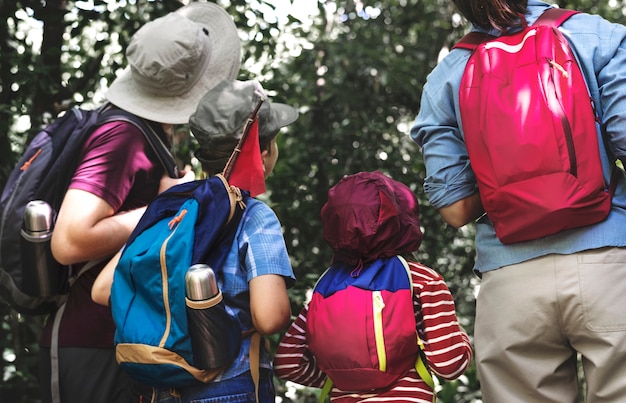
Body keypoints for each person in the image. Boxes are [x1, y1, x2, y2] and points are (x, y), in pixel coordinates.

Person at [411, 1, 626, 401]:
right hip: (609, 266)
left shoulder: (447, 76)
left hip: (511, 285)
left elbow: (455, 209)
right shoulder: (596, 37)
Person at [39, 3, 242, 403]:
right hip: (90, 340)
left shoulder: (144, 134)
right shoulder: (122, 137)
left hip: (124, 339)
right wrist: (168, 203)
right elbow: (69, 240)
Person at [92, 78, 299, 403]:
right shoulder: (255, 216)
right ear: (264, 151)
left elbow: (103, 290)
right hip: (229, 385)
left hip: (157, 389)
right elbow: (270, 316)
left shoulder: (172, 206)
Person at [273, 171, 473, 402]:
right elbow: (449, 364)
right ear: (406, 222)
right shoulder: (422, 281)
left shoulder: (327, 287)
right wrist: (463, 338)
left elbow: (288, 362)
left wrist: (342, 377)